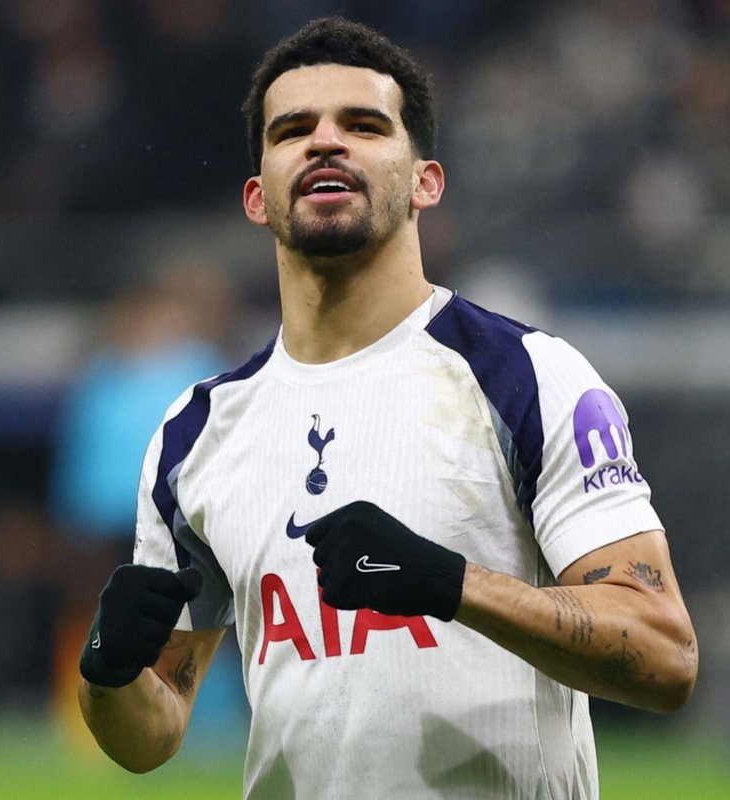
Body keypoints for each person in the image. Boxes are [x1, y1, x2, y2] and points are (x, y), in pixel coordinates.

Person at [77, 17, 698, 799]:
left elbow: (664, 655)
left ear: (425, 182)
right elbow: (152, 735)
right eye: (293, 129)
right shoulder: (197, 433)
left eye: (364, 125)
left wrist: (450, 583)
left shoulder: (528, 377)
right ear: (256, 198)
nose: (325, 142)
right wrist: (107, 673)